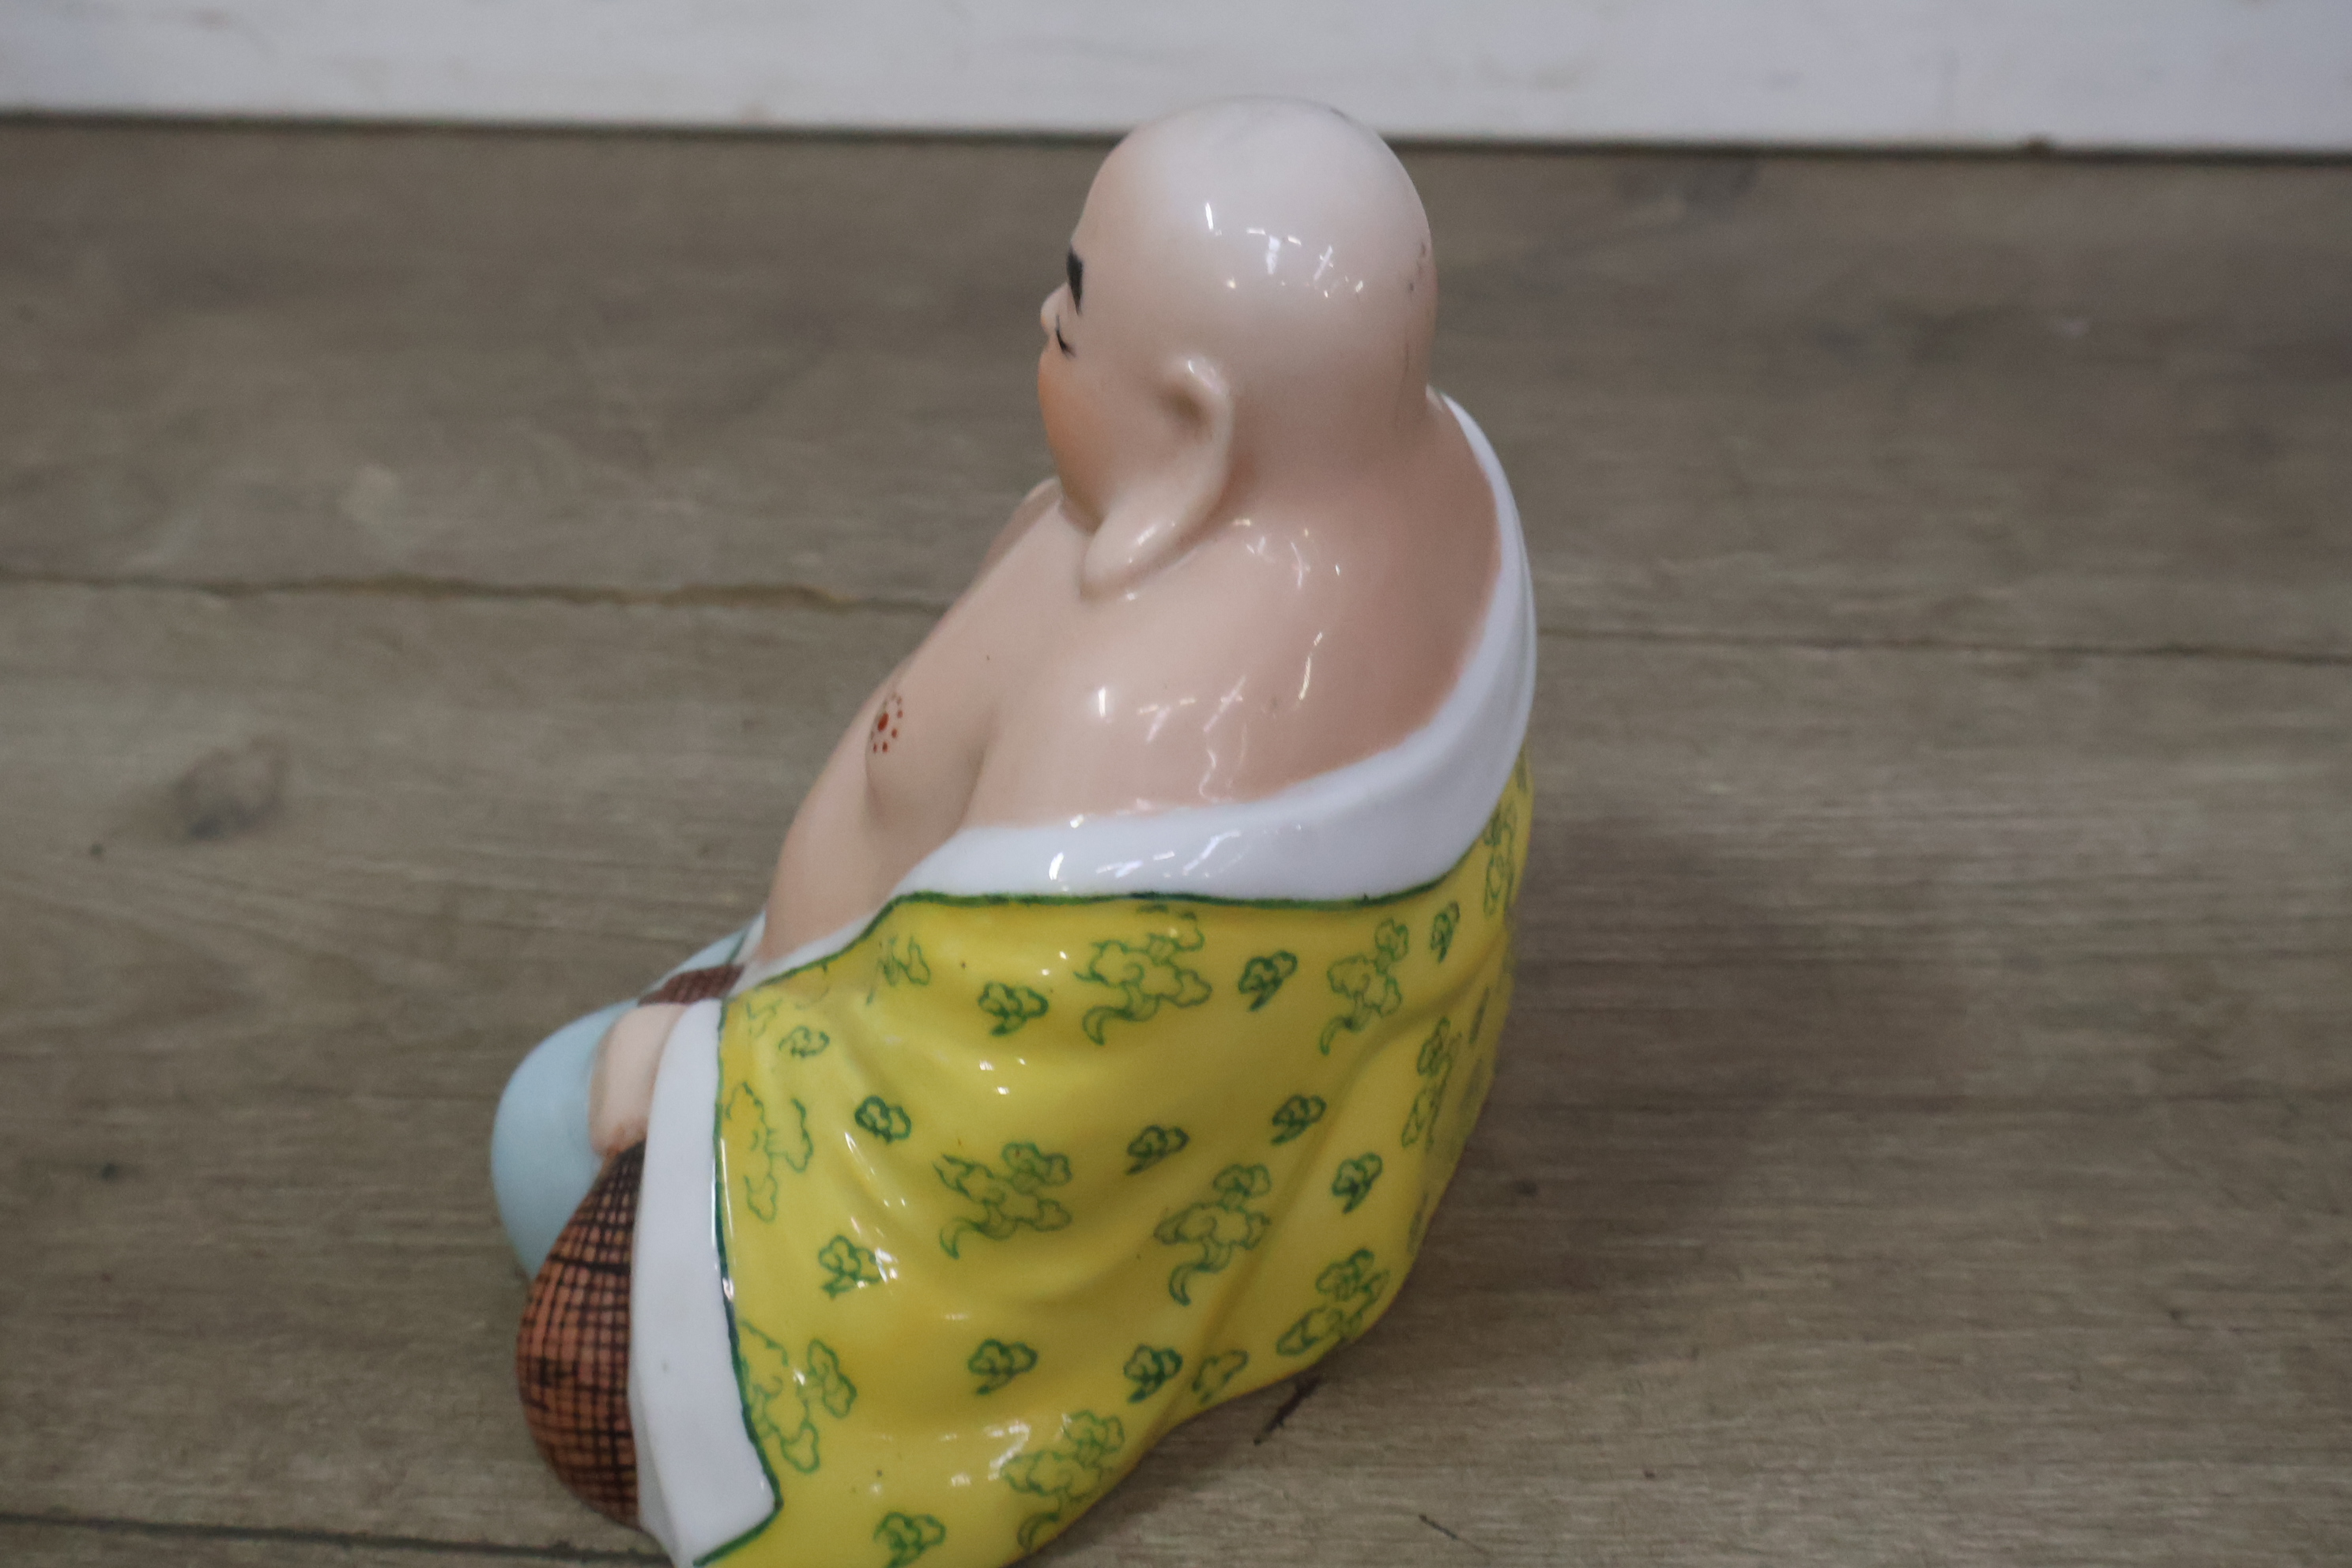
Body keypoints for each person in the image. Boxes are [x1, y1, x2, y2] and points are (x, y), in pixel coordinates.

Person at [493, 98, 1534, 1568]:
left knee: (540, 1137)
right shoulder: (1430, 484)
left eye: (1076, 309)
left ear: (1195, 432)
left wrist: (711, 1068)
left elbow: (1003, 1106)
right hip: (857, 977)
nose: (1045, 318)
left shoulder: (1147, 742)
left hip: (868, 1111)